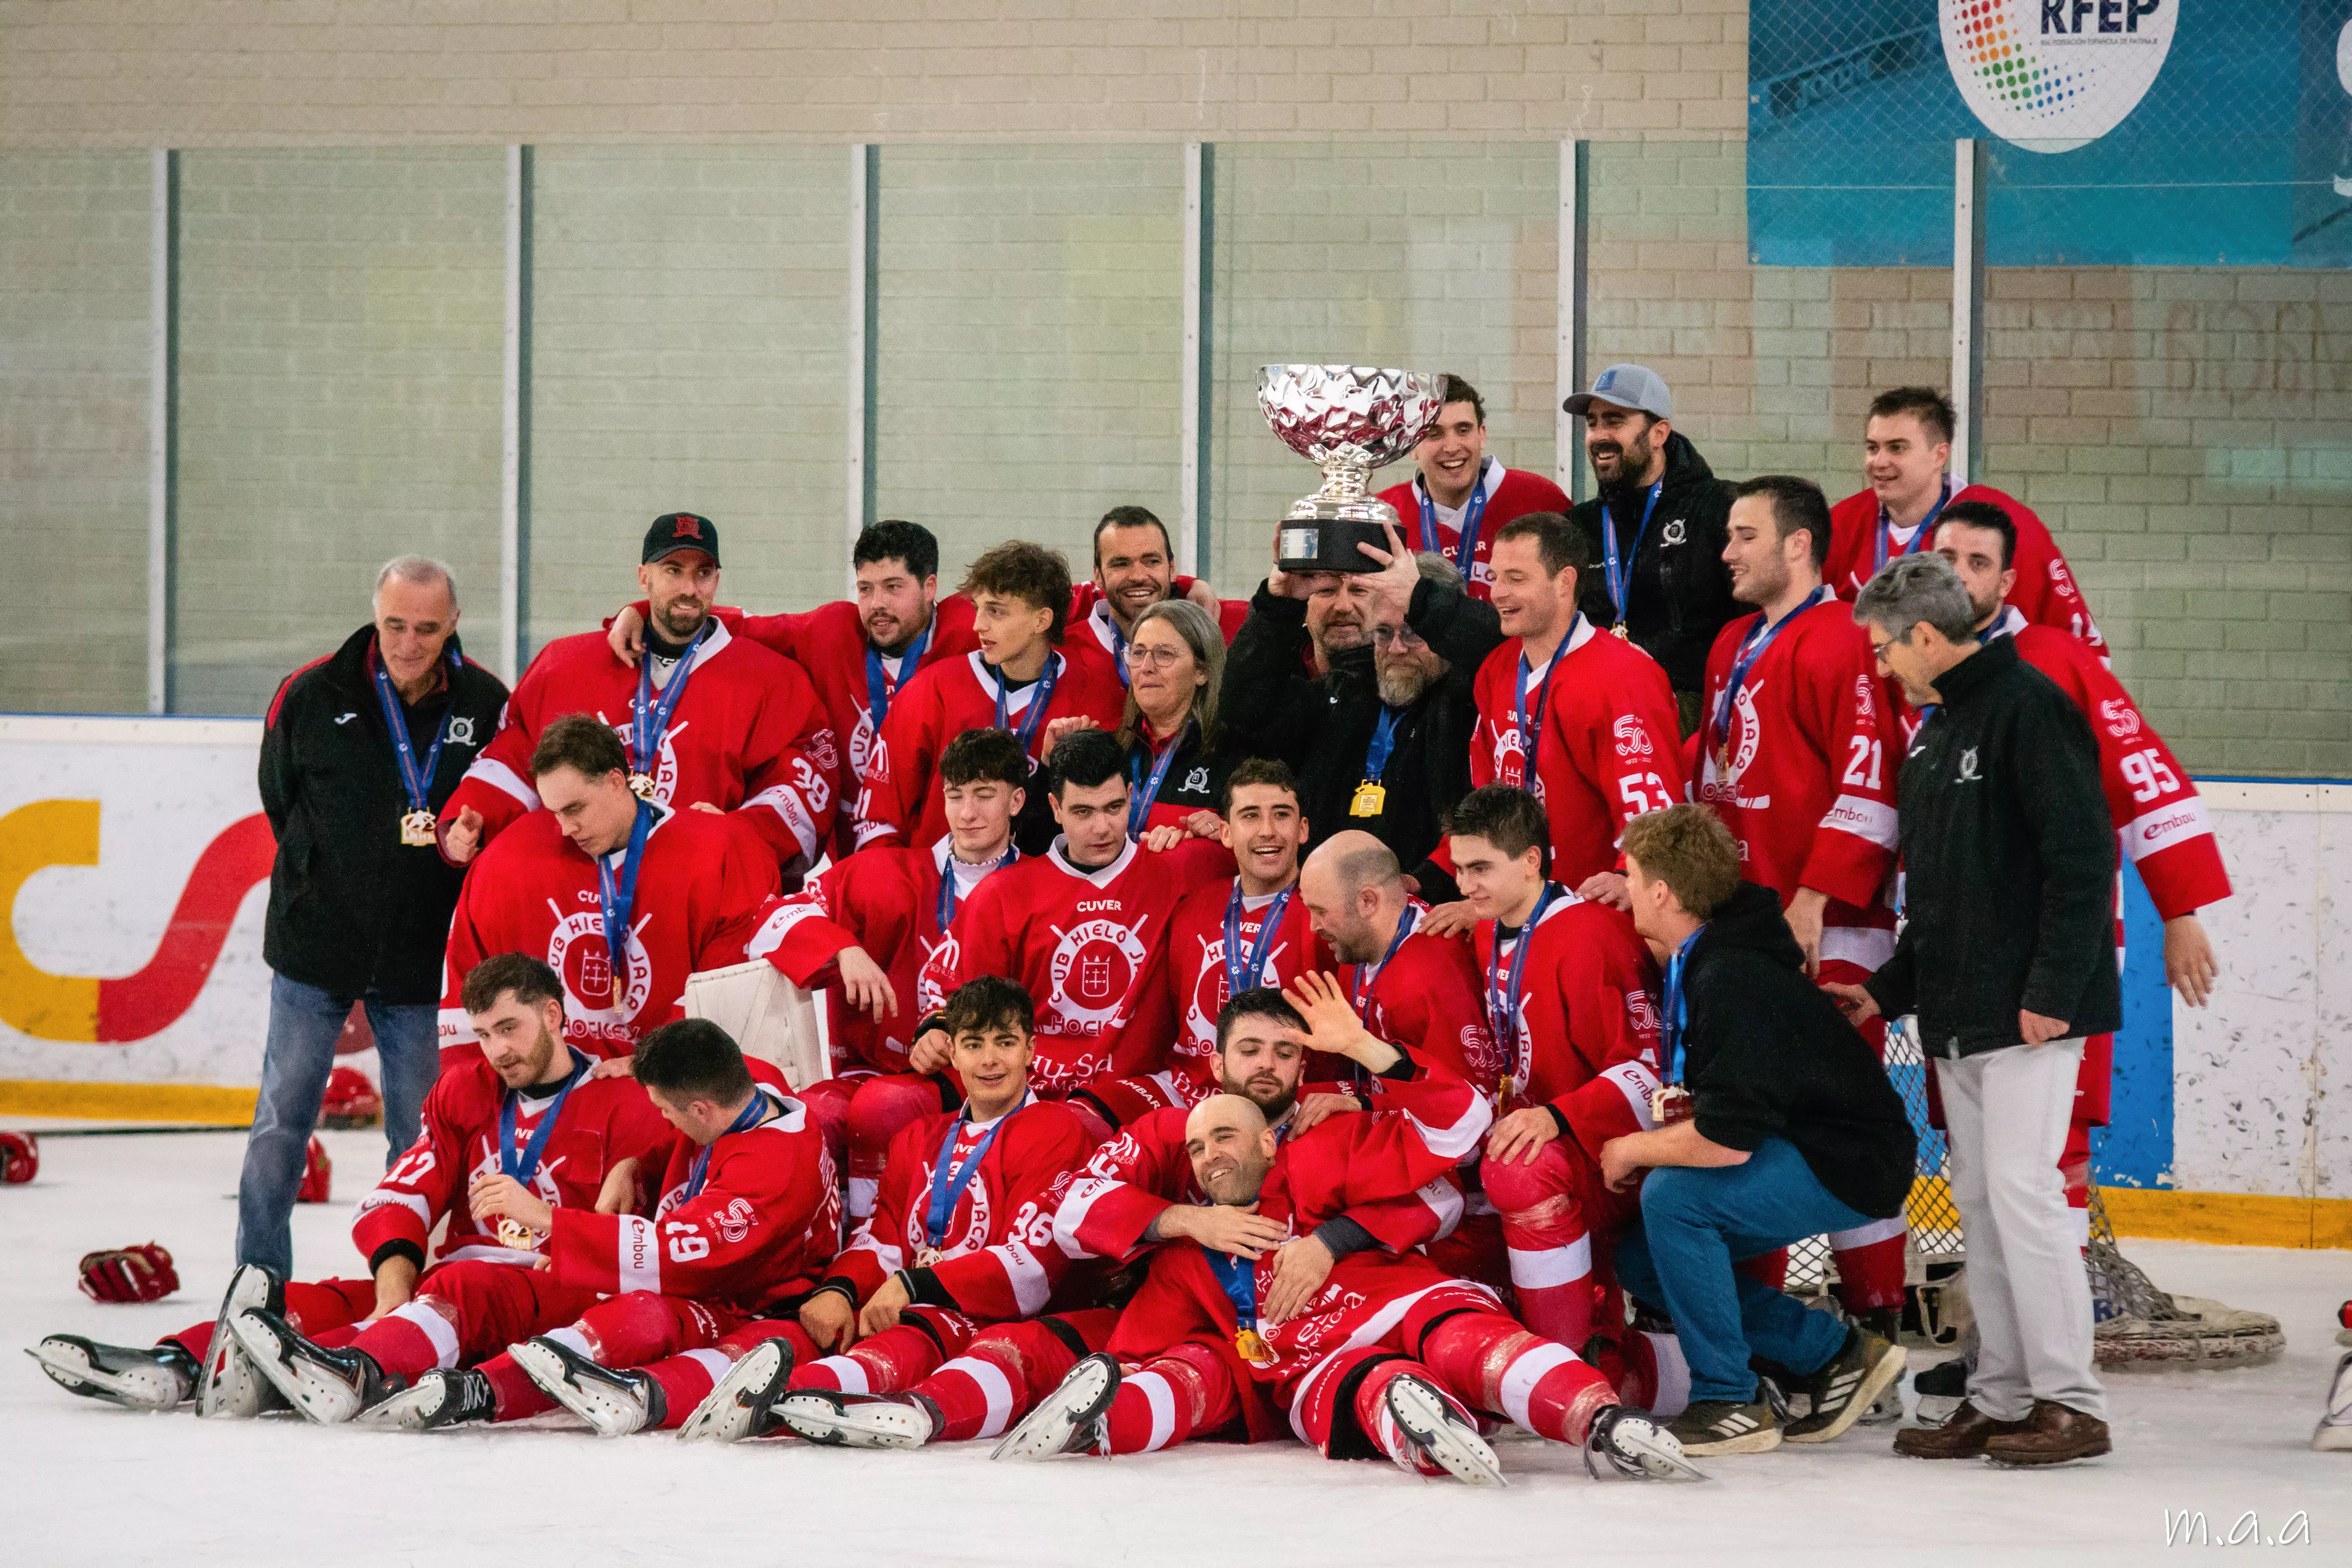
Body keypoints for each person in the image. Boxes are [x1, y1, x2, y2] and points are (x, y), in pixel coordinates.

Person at [29, 954, 668, 1420]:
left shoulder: (627, 1099)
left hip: (550, 1291)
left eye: (510, 1028)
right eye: (482, 1033)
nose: (496, 1049)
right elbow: (404, 1190)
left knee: (456, 1288)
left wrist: (625, 1169)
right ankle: (178, 1365)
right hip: (451, 1287)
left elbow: (733, 1109)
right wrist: (392, 1288)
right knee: (335, 1295)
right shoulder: (466, 1089)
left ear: (553, 1014)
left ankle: (349, 1368)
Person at [994, 1091, 1693, 1483]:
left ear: (1270, 1142)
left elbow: (1440, 1198)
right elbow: (1144, 1342)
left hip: (1408, 1303)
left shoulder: (1319, 1159)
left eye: (1228, 1139)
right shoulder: (1185, 1258)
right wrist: (1180, 1229)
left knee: (1464, 1339)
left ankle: (1602, 1423)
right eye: (1200, 1149)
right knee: (1354, 1386)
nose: (1212, 1157)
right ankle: (1104, 1423)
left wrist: (1332, 1242)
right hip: (1319, 1369)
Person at [1832, 553, 2117, 1466]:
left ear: (1923, 636)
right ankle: (1998, 1394)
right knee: (1983, 1206)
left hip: (2027, 1015)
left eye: (1884, 649)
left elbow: (2081, 862)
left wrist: (2048, 993)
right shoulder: (1932, 731)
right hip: (1958, 1011)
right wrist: (1883, 991)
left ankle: (2069, 1400)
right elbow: (1945, 897)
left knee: (2025, 1198)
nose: (1880, 667)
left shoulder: (2028, 710)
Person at [1931, 499, 2227, 1244]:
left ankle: (2058, 1317)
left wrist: (2182, 909)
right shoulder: (1918, 669)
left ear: (2010, 581)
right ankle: (1999, 1342)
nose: (1958, 579)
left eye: (1977, 564)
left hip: (2046, 947)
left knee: (2043, 1148)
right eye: (1945, 561)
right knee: (1976, 1157)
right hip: (1954, 945)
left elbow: (2142, 776)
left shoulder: (2059, 663)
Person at [353, 1015, 842, 1436]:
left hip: (739, 1304)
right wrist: (636, 1166)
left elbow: (671, 1254)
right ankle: (361, 1365)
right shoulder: (748, 1087)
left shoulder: (773, 1174)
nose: (662, 1121)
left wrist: (549, 1220)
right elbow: (686, 1141)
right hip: (686, 1282)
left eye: (665, 1112)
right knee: (469, 1281)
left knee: (637, 1317)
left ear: (701, 1110)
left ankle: (482, 1390)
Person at [1601, 805, 1915, 1458]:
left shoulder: (1731, 975)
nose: (1623, 886)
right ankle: (1834, 1353)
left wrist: (1631, 1147)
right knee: (1640, 1256)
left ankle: (1727, 1401)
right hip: (1816, 1142)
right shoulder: (1715, 954)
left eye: (1630, 874)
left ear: (1663, 892)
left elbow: (1727, 1138)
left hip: (1851, 1159)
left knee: (1674, 1201)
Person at [674, 977, 1097, 1447]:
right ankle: (679, 1390)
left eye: (1006, 1042)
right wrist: (840, 1288)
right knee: (812, 1323)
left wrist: (912, 1286)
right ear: (953, 1054)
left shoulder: (1055, 1128)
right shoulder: (918, 1138)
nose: (991, 1060)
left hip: (992, 1318)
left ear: (1030, 1050)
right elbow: (882, 1239)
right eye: (974, 1044)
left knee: (912, 1333)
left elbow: (1033, 1268)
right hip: (915, 1303)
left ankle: (782, 1402)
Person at [236, 555, 510, 1280]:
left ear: (453, 623)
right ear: (375, 615)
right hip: (314, 946)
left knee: (420, 1139)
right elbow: (281, 797)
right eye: (395, 624)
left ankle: (404, 1291)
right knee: (279, 1125)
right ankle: (257, 1282)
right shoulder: (311, 692)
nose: (409, 642)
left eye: (426, 627)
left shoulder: (484, 702)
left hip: (425, 959)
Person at [1693, 475, 1909, 1328]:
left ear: (1796, 545)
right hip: (1746, 922)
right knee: (1749, 1119)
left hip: (1830, 925)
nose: (1726, 552)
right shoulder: (1731, 642)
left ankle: (1875, 1315)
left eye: (1743, 535)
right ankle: (1766, 1321)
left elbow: (1870, 777)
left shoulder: (1845, 637)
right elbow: (1712, 772)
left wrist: (1814, 897)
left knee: (1835, 1120)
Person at [440, 512, 839, 883]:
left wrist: (740, 832)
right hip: (580, 887)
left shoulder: (770, 679)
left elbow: (802, 778)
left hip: (701, 890)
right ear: (643, 577)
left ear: (717, 581)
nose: (689, 588)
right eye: (672, 571)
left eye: (703, 573)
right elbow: (519, 750)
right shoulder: (565, 665)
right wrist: (477, 813)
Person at [743, 727, 1029, 1222]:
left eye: (985, 797)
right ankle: (811, 1254)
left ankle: (874, 1243)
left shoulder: (1037, 888)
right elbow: (766, 924)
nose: (966, 814)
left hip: (974, 1082)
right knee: (806, 1118)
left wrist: (958, 1042)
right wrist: (841, 946)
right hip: (866, 1070)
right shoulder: (883, 873)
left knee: (884, 1108)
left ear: (1017, 800)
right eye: (956, 797)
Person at [605, 519, 980, 860]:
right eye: (866, 589)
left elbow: (1029, 622)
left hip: (954, 848)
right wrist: (640, 610)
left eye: (893, 588)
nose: (877, 604)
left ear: (930, 587)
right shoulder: (832, 631)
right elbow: (736, 626)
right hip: (858, 861)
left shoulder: (969, 629)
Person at [1446, 785, 1663, 1348]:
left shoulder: (1592, 936)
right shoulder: (1491, 925)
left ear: (1532, 861)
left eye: (1480, 869)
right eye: (1458, 870)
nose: (1466, 886)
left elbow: (1647, 1072)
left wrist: (1558, 1118)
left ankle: (1563, 1355)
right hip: (1545, 1136)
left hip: (1611, 1155)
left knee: (1521, 1167)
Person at [914, 728, 1230, 1107]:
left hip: (1135, 1091)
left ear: (1132, 798)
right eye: (1083, 811)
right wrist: (933, 1030)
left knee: (1071, 1125)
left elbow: (1269, 859)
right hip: (1026, 1087)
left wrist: (1221, 828)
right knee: (886, 1106)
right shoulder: (1003, 894)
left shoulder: (1184, 866)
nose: (1101, 827)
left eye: (1113, 808)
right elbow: (954, 994)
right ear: (1056, 807)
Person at [437, 715, 775, 1060]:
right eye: (555, 813)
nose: (567, 829)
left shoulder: (719, 850)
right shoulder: (507, 859)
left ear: (616, 781)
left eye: (575, 808)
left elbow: (731, 991)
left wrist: (654, 1064)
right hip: (557, 1089)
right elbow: (469, 996)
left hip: (677, 1082)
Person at [1220, 521, 1502, 900]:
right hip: (1324, 911)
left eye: (1415, 633)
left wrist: (1422, 598)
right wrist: (1278, 604)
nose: (1397, 648)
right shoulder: (1345, 691)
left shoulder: (1474, 702)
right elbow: (1245, 711)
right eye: (1384, 633)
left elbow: (1499, 643)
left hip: (1426, 913)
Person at [1077, 758, 1332, 1125]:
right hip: (1188, 1089)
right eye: (1249, 816)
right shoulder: (1194, 907)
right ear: (1226, 833)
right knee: (1081, 1119)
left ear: (1303, 829)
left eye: (1281, 815)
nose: (1267, 831)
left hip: (1284, 1099)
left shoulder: (1326, 914)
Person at [1456, 511, 1683, 898]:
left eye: (1517, 579)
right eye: (1495, 578)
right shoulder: (1498, 666)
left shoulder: (1622, 675)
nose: (1498, 594)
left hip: (1593, 904)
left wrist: (1630, 874)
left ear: (1565, 582)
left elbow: (1650, 800)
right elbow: (1487, 789)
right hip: (1518, 901)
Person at [854, 540, 1125, 856]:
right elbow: (879, 819)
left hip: (1041, 892)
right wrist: (904, 886)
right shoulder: (932, 688)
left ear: (1041, 621)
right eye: (978, 608)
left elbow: (1101, 825)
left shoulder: (1095, 696)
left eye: (995, 611)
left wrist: (1055, 768)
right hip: (943, 891)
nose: (978, 625)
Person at [1824, 386, 2105, 657]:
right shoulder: (1841, 524)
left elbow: (2080, 647)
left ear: (1939, 455)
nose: (1880, 461)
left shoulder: (2006, 525)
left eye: (1897, 448)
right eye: (1873, 448)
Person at [1562, 364, 1742, 728]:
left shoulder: (1717, 508)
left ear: (1659, 432)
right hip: (1595, 704)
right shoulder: (1578, 525)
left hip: (1691, 712)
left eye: (1614, 421)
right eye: (1593, 423)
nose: (1599, 435)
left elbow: (1751, 622)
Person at [1294, 831, 1496, 1097]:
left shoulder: (1429, 979)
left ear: (1368, 901)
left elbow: (1465, 1109)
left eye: (1321, 911)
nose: (1313, 926)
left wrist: (1367, 1108)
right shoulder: (1362, 939)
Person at [1372, 373, 1571, 599]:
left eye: (1463, 430)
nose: (1452, 447)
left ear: (1482, 436)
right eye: (1434, 434)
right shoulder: (1385, 514)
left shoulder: (1541, 499)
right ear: (1411, 446)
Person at [1100, 599, 1233, 840]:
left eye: (1165, 654)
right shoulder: (1110, 751)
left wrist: (1225, 831)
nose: (1146, 667)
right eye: (1139, 653)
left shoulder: (1236, 755)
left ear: (1202, 672)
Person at [1068, 504, 1248, 669]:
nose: (1138, 576)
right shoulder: (1064, 654)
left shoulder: (1236, 624)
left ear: (1172, 568)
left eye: (1152, 561)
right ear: (1098, 575)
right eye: (1121, 564)